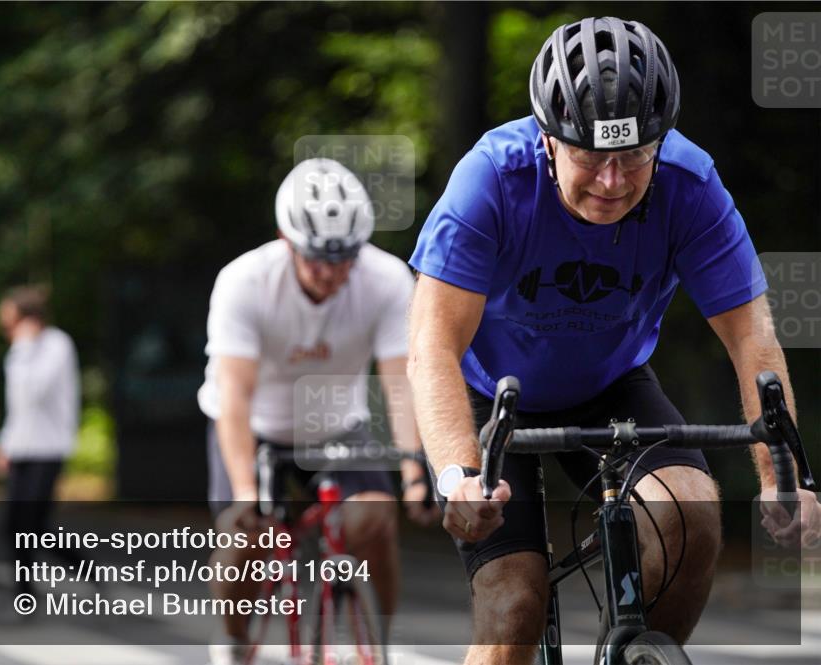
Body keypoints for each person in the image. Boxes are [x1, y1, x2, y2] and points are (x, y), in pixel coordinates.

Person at [407, 16, 821, 665]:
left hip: (609, 383)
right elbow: (432, 341)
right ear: (548, 140)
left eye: (633, 157)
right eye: (590, 158)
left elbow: (751, 335)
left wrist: (782, 475)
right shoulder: (489, 180)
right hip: (491, 392)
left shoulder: (691, 184)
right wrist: (457, 474)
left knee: (694, 519)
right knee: (514, 603)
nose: (612, 180)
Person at [197, 158, 437, 664]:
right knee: (244, 540)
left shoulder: (388, 279)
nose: (331, 273)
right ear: (287, 240)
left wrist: (416, 472)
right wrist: (245, 495)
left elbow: (400, 382)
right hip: (256, 426)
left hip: (335, 424)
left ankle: (379, 641)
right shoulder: (244, 281)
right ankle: (234, 641)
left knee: (376, 517)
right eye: (316, 260)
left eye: (344, 258)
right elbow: (233, 397)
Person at [0, 285, 81, 597]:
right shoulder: (18, 351)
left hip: (47, 449)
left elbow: (34, 392)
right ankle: (25, 592)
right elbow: (17, 406)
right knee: (14, 526)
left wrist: (25, 347)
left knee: (35, 528)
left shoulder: (55, 345)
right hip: (20, 450)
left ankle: (87, 569)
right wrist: (4, 442)